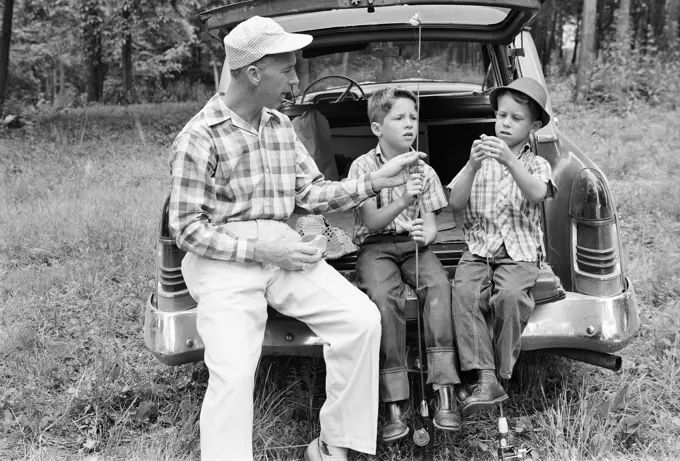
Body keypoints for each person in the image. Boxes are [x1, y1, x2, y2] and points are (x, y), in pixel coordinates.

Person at [167, 16, 426, 461]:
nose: (295, 78)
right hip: (223, 259)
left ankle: (332, 445)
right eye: (286, 68)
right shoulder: (199, 137)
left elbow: (310, 193)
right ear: (253, 73)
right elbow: (187, 230)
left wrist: (373, 181)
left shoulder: (280, 126)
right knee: (232, 369)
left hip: (282, 252)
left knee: (361, 320)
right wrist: (263, 249)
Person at [347, 87, 461, 442]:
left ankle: (444, 391)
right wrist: (403, 201)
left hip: (412, 246)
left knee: (440, 287)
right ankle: (396, 402)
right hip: (376, 245)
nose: (409, 124)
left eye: (413, 117)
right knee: (383, 296)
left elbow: (429, 227)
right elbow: (373, 221)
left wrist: (422, 236)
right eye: (399, 118)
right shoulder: (363, 166)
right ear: (378, 128)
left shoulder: (423, 169)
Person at [447, 77, 557, 415]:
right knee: (464, 293)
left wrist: (510, 160)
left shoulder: (535, 163)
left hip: (519, 252)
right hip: (480, 247)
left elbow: (537, 193)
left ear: (534, 126)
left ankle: (499, 376)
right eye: (501, 115)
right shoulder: (481, 160)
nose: (505, 123)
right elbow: (455, 202)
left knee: (509, 297)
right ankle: (485, 376)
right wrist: (470, 165)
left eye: (516, 118)